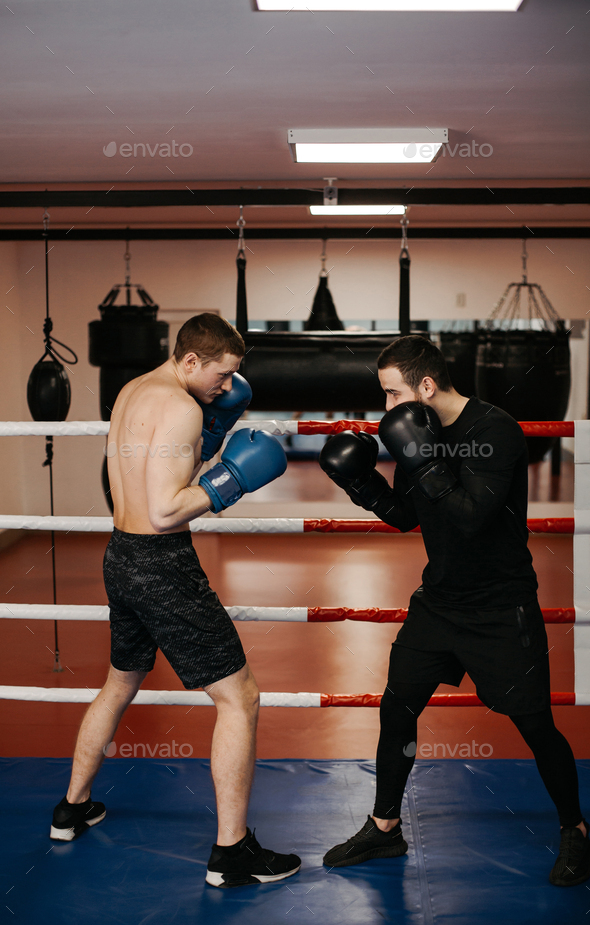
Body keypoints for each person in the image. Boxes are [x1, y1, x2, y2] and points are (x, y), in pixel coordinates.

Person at [319, 334, 589, 888]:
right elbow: (405, 516)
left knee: (536, 725)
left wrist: (421, 455)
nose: (387, 410)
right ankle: (385, 826)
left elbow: (469, 517)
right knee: (397, 710)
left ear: (425, 385)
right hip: (439, 602)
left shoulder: (495, 430)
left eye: (393, 396)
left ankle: (576, 831)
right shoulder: (413, 430)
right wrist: (359, 481)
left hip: (499, 605)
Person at [49, 313, 301, 890]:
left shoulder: (132, 391)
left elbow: (128, 487)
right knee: (240, 698)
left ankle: (72, 808)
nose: (226, 387)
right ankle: (232, 854)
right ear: (191, 361)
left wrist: (208, 445)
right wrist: (229, 480)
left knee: (119, 681)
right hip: (163, 562)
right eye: (222, 374)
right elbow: (165, 509)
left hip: (121, 556)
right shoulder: (184, 406)